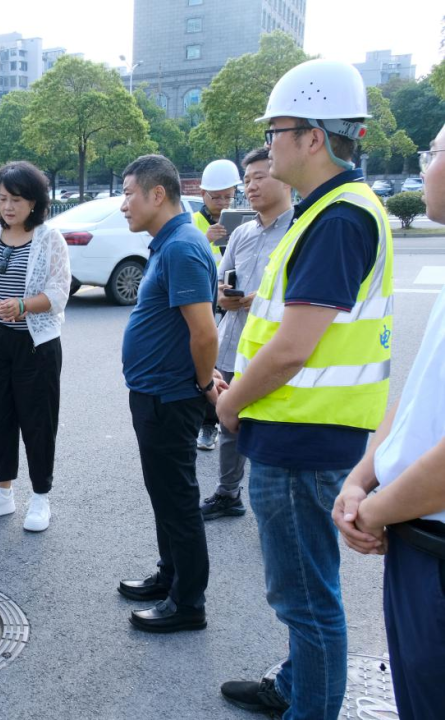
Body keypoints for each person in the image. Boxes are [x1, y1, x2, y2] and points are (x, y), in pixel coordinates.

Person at [216, 60, 393, 717]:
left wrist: (231, 402)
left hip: (303, 440)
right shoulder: (328, 210)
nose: (269, 144)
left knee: (306, 599)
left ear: (314, 137)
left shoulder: (339, 217)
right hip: (302, 432)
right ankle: (294, 684)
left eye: (279, 130)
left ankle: (308, 704)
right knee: (304, 587)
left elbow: (295, 346)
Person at [332, 121, 445, 720]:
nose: (425, 166)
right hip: (412, 532)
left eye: (433, 152)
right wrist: (361, 480)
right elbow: (422, 397)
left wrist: (374, 507)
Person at [117, 154, 217, 634]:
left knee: (177, 498)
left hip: (172, 396)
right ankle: (169, 575)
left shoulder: (182, 247)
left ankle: (188, 602)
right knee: (163, 493)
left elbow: (204, 332)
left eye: (129, 192)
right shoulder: (167, 243)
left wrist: (202, 386)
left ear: (158, 194)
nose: (123, 205)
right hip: (153, 392)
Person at [0, 161, 70, 533]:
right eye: (3, 199)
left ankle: (40, 496)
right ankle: (2, 492)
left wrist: (23, 305)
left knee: (38, 419)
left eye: (17, 199)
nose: (8, 207)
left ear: (34, 203)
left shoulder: (49, 239)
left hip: (36, 342)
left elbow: (59, 292)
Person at [200, 147, 293, 521]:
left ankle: (277, 508)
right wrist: (224, 294)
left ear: (285, 176)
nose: (251, 187)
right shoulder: (241, 233)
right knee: (229, 422)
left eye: (260, 177)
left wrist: (259, 300)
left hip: (276, 352)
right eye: (247, 180)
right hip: (234, 343)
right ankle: (228, 493)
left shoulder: (300, 232)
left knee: (273, 430)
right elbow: (222, 280)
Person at [193, 159, 241, 452]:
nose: (222, 202)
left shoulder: (241, 220)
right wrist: (205, 238)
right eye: (216, 196)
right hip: (206, 305)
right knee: (211, 366)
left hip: (233, 302)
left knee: (234, 368)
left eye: (228, 196)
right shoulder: (194, 223)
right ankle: (207, 426)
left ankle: (233, 422)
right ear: (203, 195)